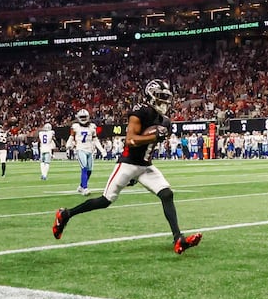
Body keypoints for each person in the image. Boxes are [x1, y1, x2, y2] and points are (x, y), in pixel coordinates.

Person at [53, 79, 202, 254]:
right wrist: (152, 137)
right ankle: (65, 215)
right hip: (128, 164)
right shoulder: (140, 111)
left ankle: (179, 239)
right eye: (161, 97)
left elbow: (149, 148)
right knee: (105, 201)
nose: (164, 101)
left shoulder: (165, 121)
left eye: (166, 97)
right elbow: (130, 140)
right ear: (151, 96)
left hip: (145, 166)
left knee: (167, 194)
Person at [66, 109, 105, 196]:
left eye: (84, 117)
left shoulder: (92, 126)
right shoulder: (75, 126)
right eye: (81, 117)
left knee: (89, 170)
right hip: (80, 149)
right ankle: (85, 188)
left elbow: (95, 139)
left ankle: (81, 186)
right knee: (84, 168)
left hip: (90, 150)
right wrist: (68, 144)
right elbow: (72, 137)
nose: (83, 119)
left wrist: (101, 149)